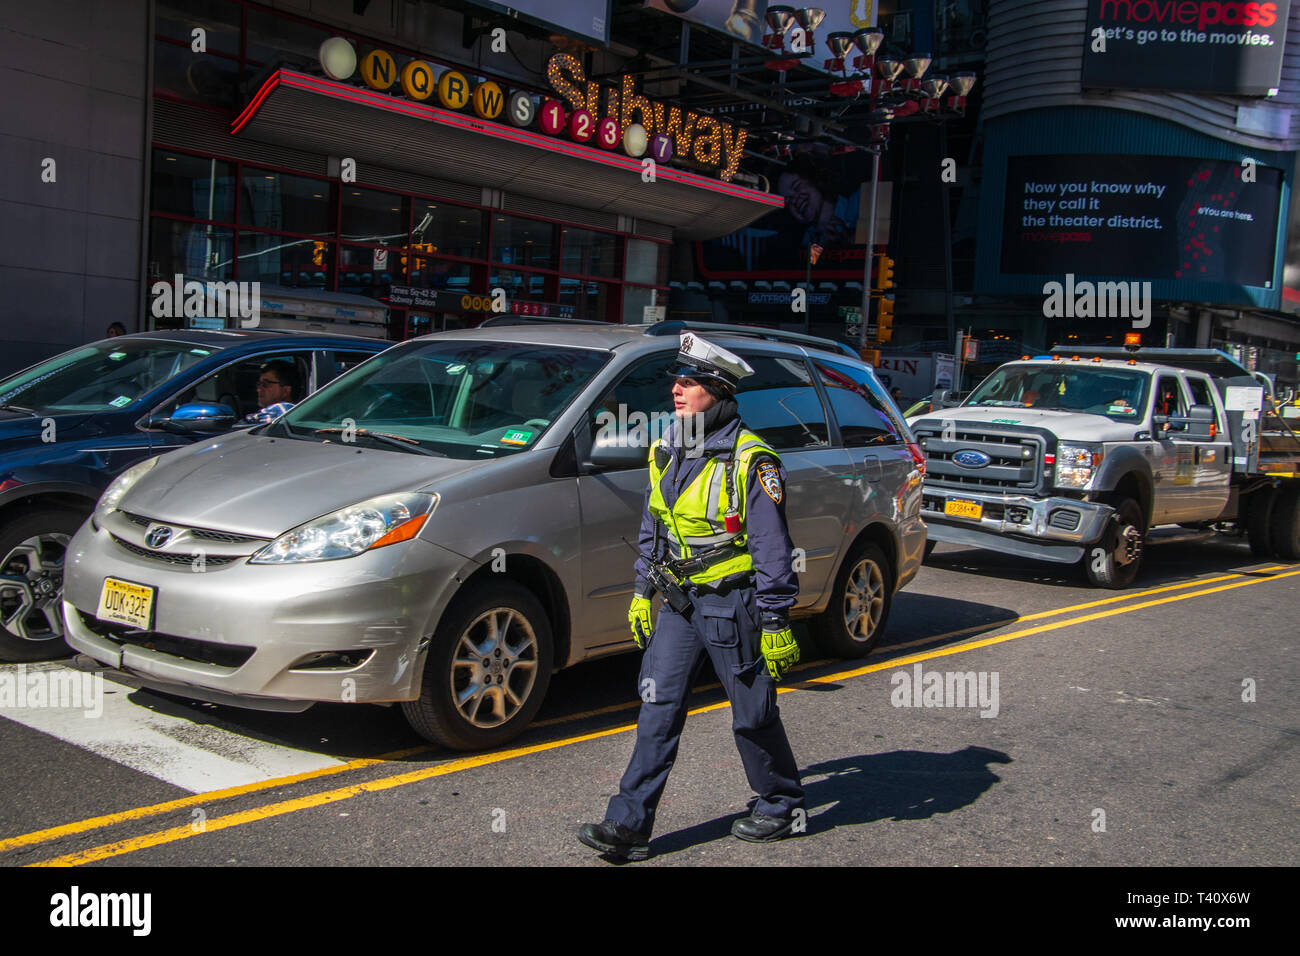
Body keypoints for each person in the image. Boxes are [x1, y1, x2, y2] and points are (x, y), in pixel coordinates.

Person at [577, 333, 804, 861]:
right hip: (680, 602)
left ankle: (782, 805)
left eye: (689, 381)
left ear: (718, 390)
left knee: (751, 712)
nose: (676, 390)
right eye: (675, 381)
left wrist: (775, 619)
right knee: (658, 705)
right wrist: (642, 590)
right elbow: (655, 524)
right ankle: (628, 826)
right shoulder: (669, 446)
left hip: (733, 602)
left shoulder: (752, 459)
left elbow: (772, 546)